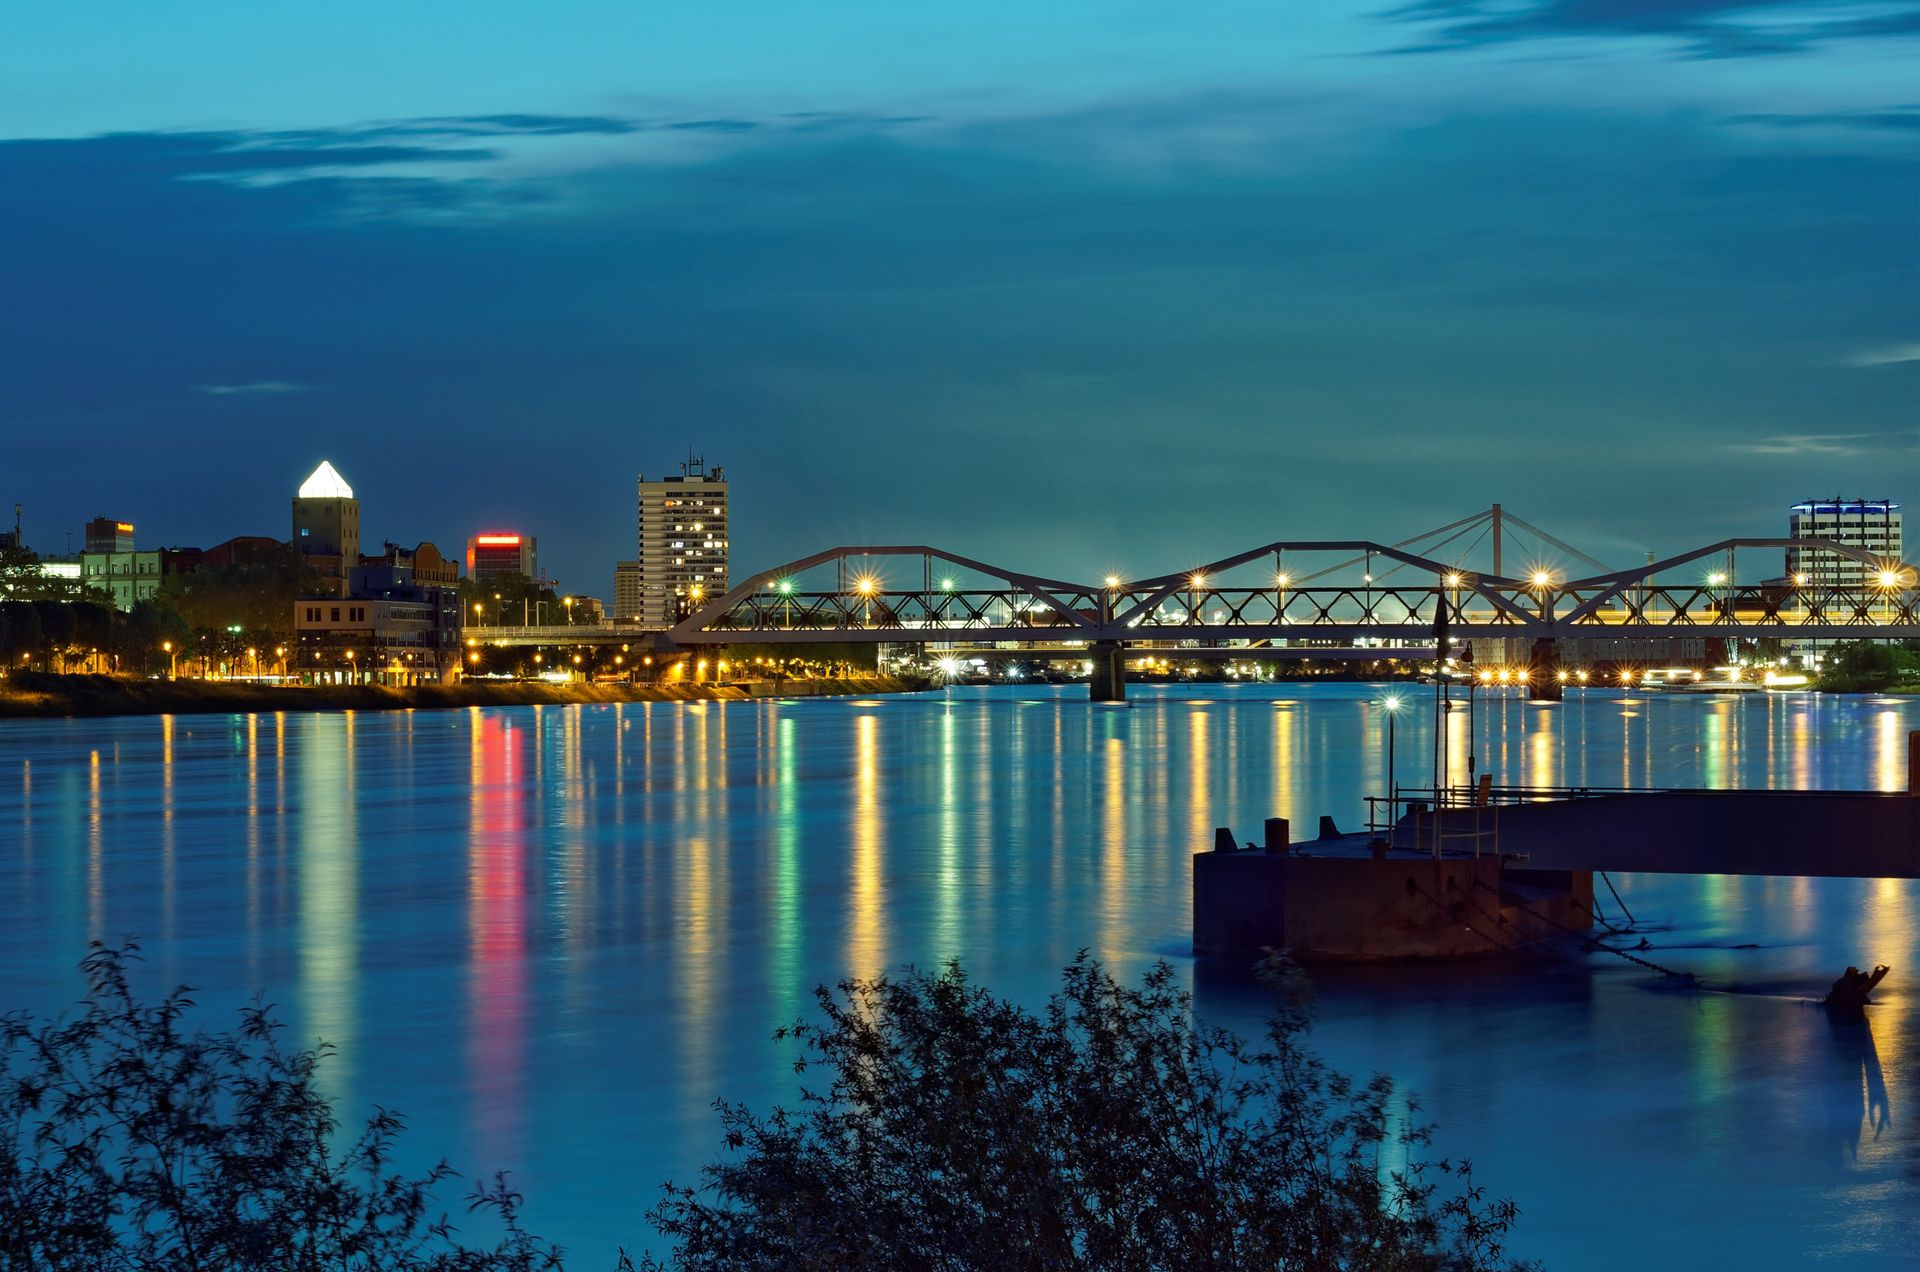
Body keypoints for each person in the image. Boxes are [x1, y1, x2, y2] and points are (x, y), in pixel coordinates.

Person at [1824, 964, 1890, 1020]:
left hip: (1851, 1007)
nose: (1857, 973)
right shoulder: (1842, 983)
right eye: (1855, 972)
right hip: (1845, 1011)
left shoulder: (1855, 982)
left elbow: (1867, 986)